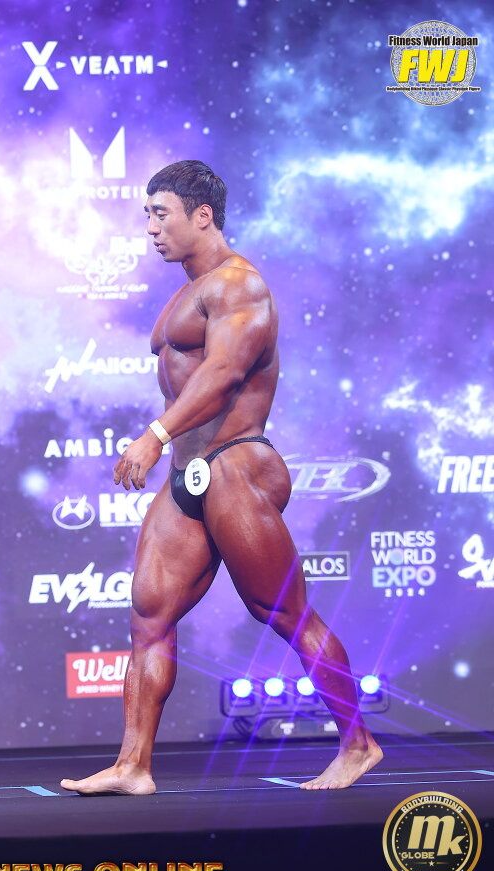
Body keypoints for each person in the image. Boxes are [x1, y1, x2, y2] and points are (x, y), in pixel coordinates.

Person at [60, 160, 383, 794]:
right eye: (147, 215)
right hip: (189, 473)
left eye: (161, 214)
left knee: (282, 612)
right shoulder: (189, 290)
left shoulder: (239, 285)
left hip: (236, 465)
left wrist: (155, 435)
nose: (151, 228)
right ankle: (133, 765)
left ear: (202, 215)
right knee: (149, 616)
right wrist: (170, 446)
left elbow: (224, 374)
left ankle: (358, 744)